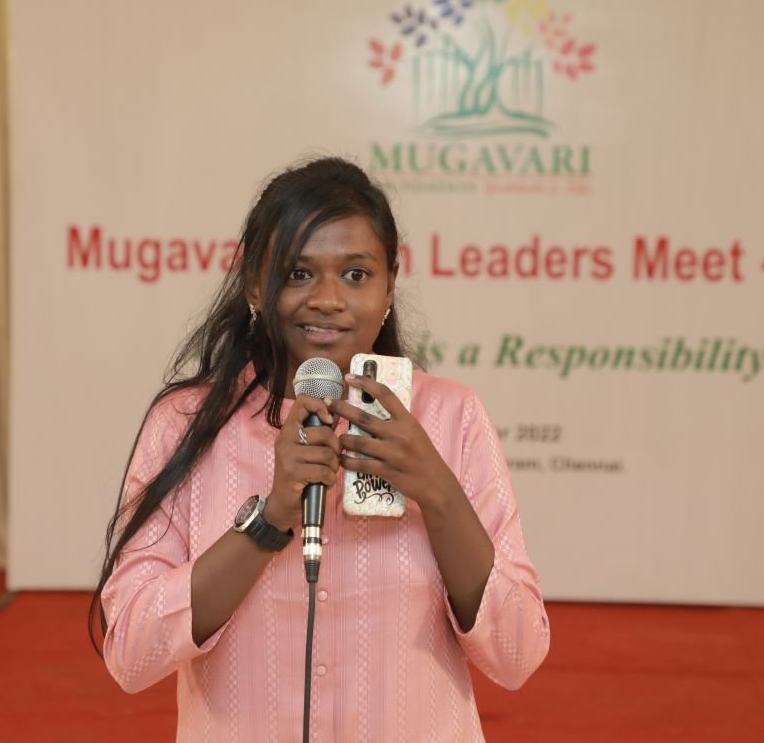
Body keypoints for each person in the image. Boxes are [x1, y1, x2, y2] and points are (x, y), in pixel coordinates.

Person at [90, 157, 550, 742]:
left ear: (389, 285)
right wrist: (268, 520)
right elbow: (131, 653)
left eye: (356, 274)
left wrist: (438, 494)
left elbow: (518, 654)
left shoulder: (451, 417)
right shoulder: (184, 424)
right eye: (299, 273)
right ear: (255, 284)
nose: (328, 299)